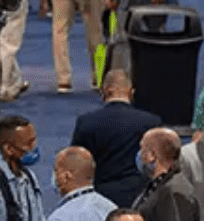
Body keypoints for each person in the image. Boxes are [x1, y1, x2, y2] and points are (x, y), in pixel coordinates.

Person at [70, 72, 163, 207]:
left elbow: (76, 162)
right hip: (141, 198)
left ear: (104, 92)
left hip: (99, 197)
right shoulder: (151, 122)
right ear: (131, 92)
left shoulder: (86, 122)